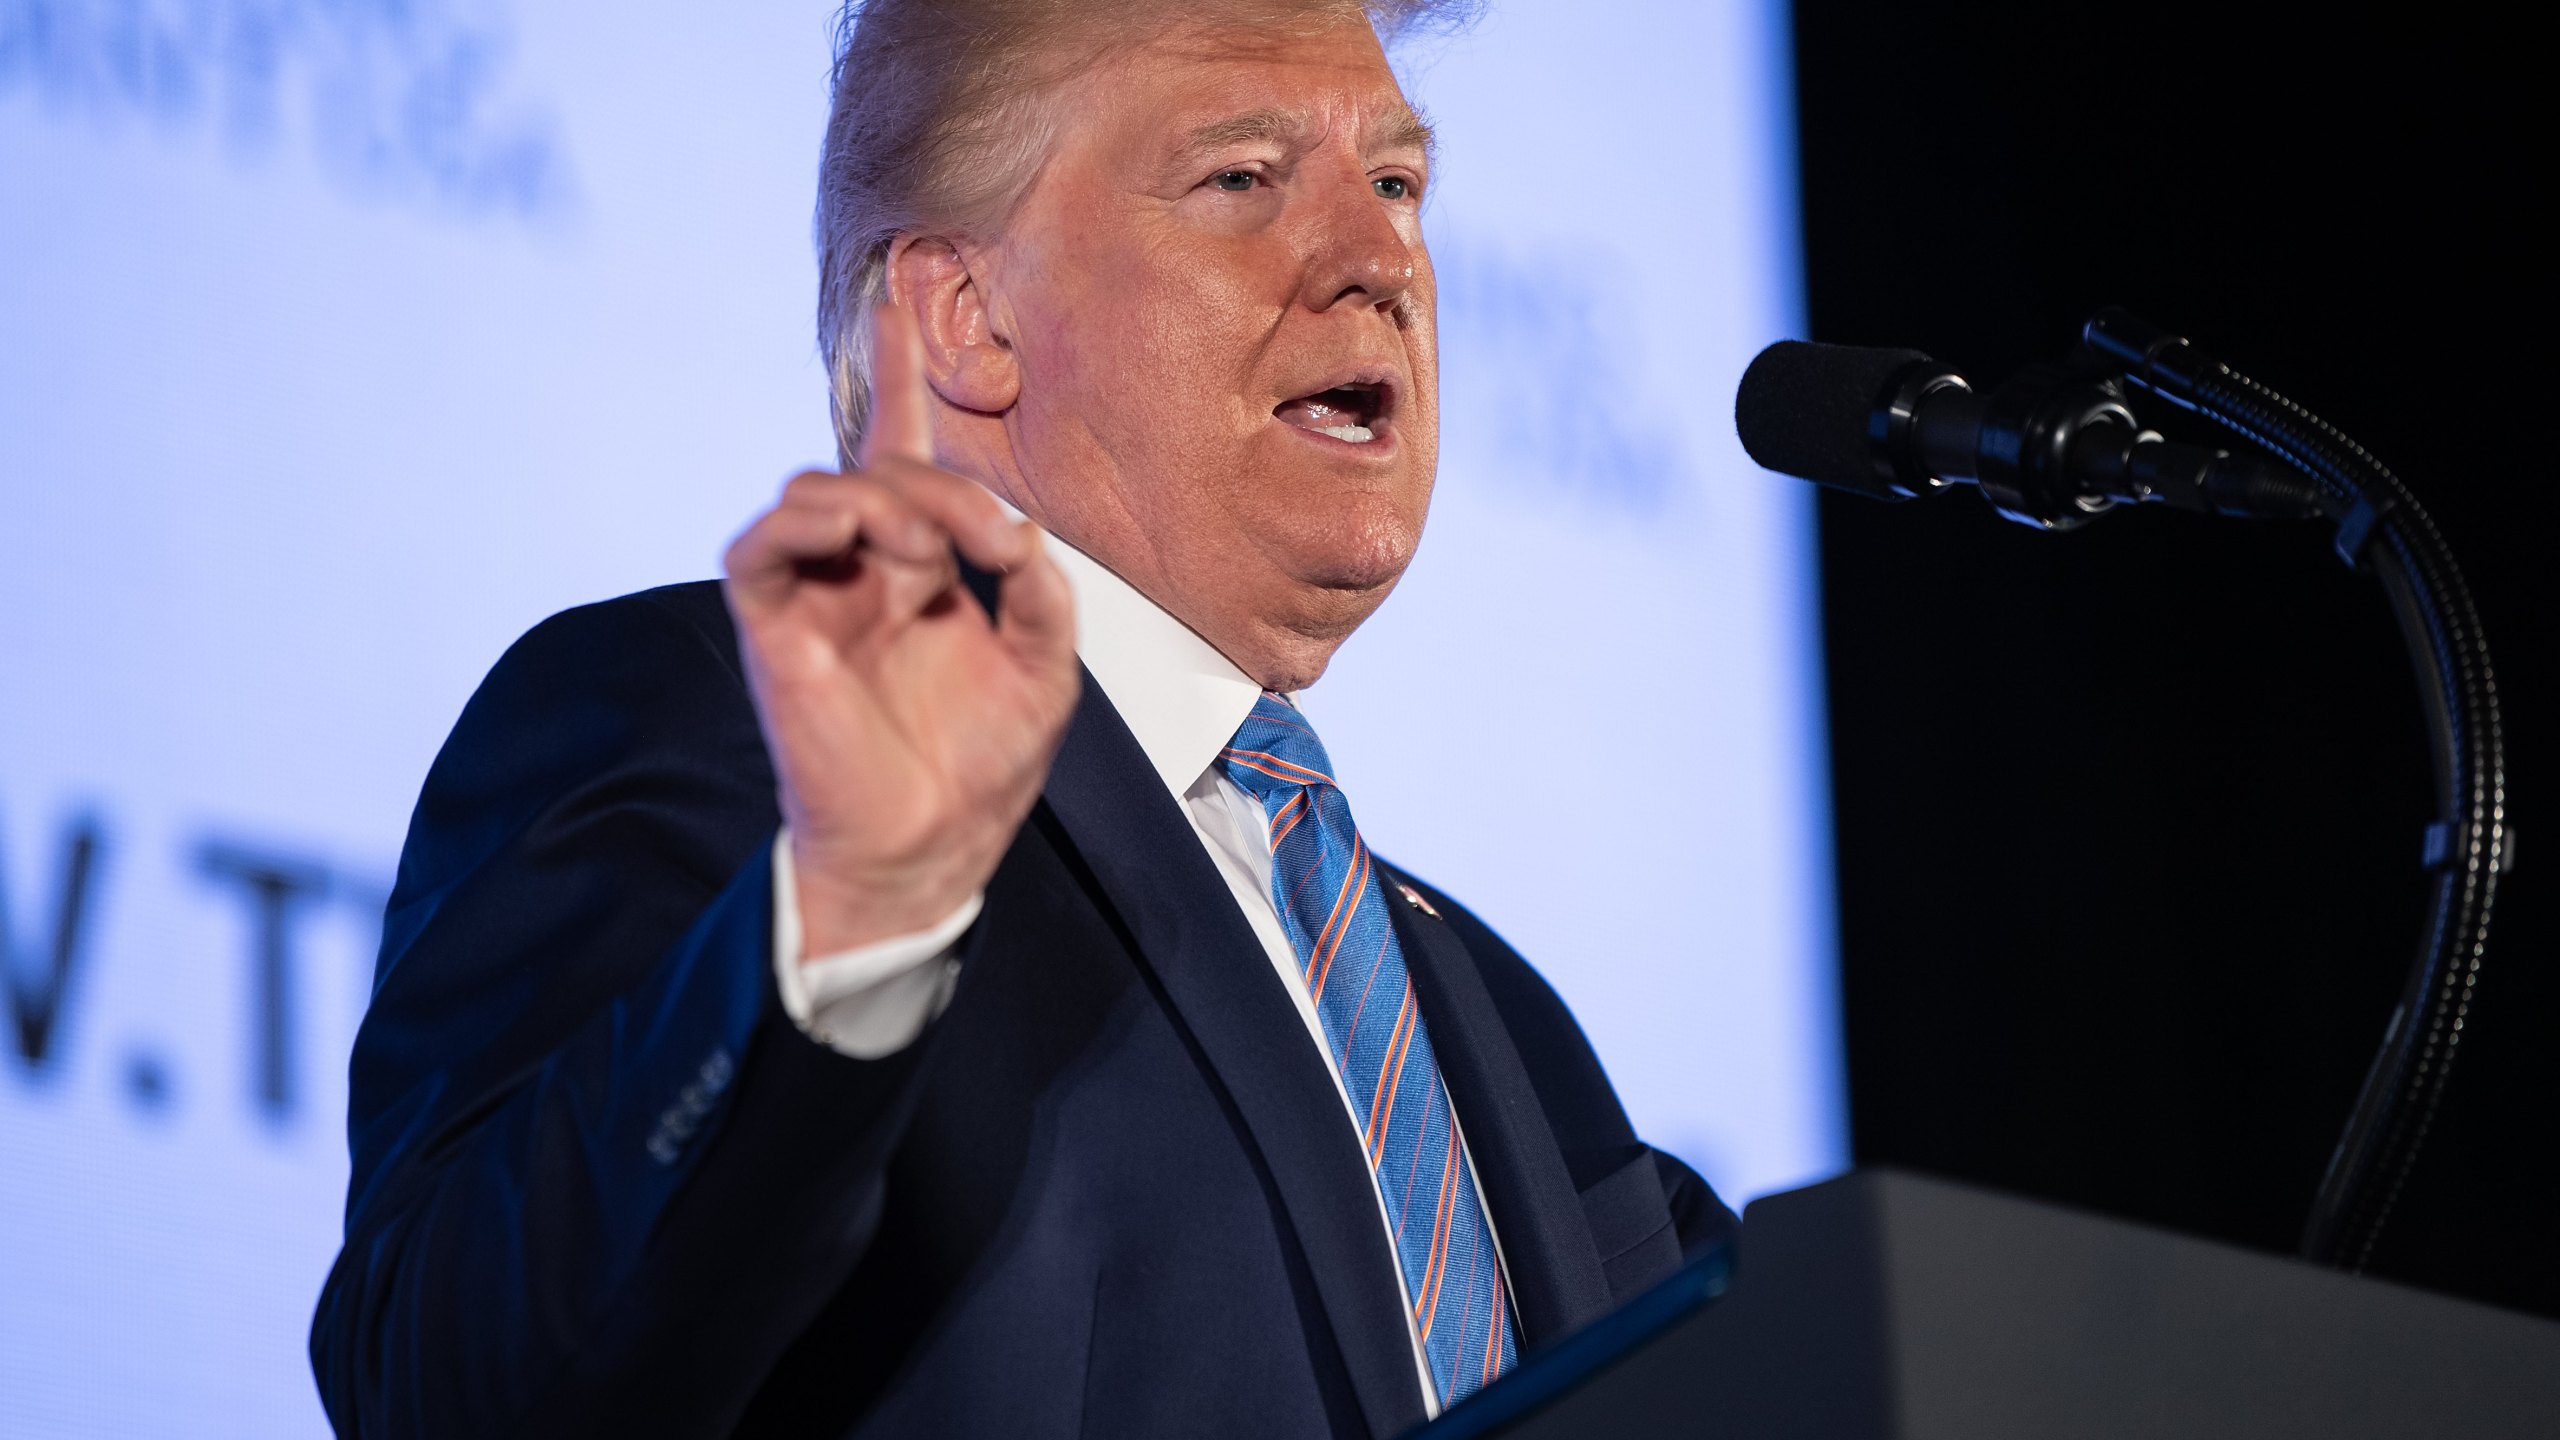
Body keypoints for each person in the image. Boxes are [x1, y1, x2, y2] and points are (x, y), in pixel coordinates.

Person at [309, 1, 1736, 1435]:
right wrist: (853, 922)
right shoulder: (712, 733)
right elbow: (448, 1388)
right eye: (1241, 178)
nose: (1381, 265)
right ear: (966, 317)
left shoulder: (1490, 1019)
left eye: (1397, 184)